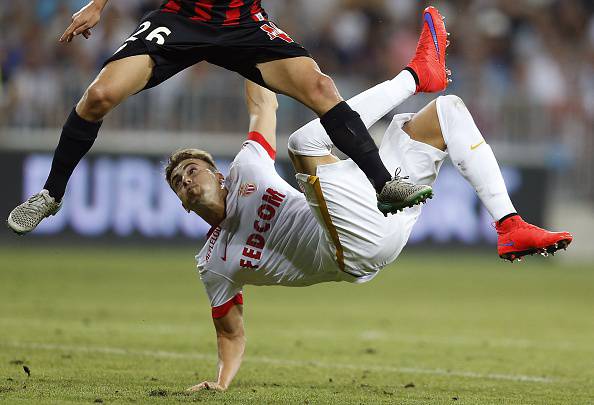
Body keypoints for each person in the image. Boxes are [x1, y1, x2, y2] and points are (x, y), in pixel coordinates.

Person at [163, 37, 573, 393]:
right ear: (182, 204)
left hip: (379, 211)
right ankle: (414, 76)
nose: (186, 179)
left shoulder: (246, 167)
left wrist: (245, 39)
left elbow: (262, 103)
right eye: (178, 182)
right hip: (350, 250)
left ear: (217, 174)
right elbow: (230, 334)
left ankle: (509, 224)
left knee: (447, 111)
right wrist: (220, 382)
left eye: (192, 169)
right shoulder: (212, 263)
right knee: (305, 142)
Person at [7, 3, 448, 235]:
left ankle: (383, 185)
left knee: (320, 88)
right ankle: (51, 194)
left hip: (244, 23)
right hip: (181, 19)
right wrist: (98, 4)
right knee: (99, 95)